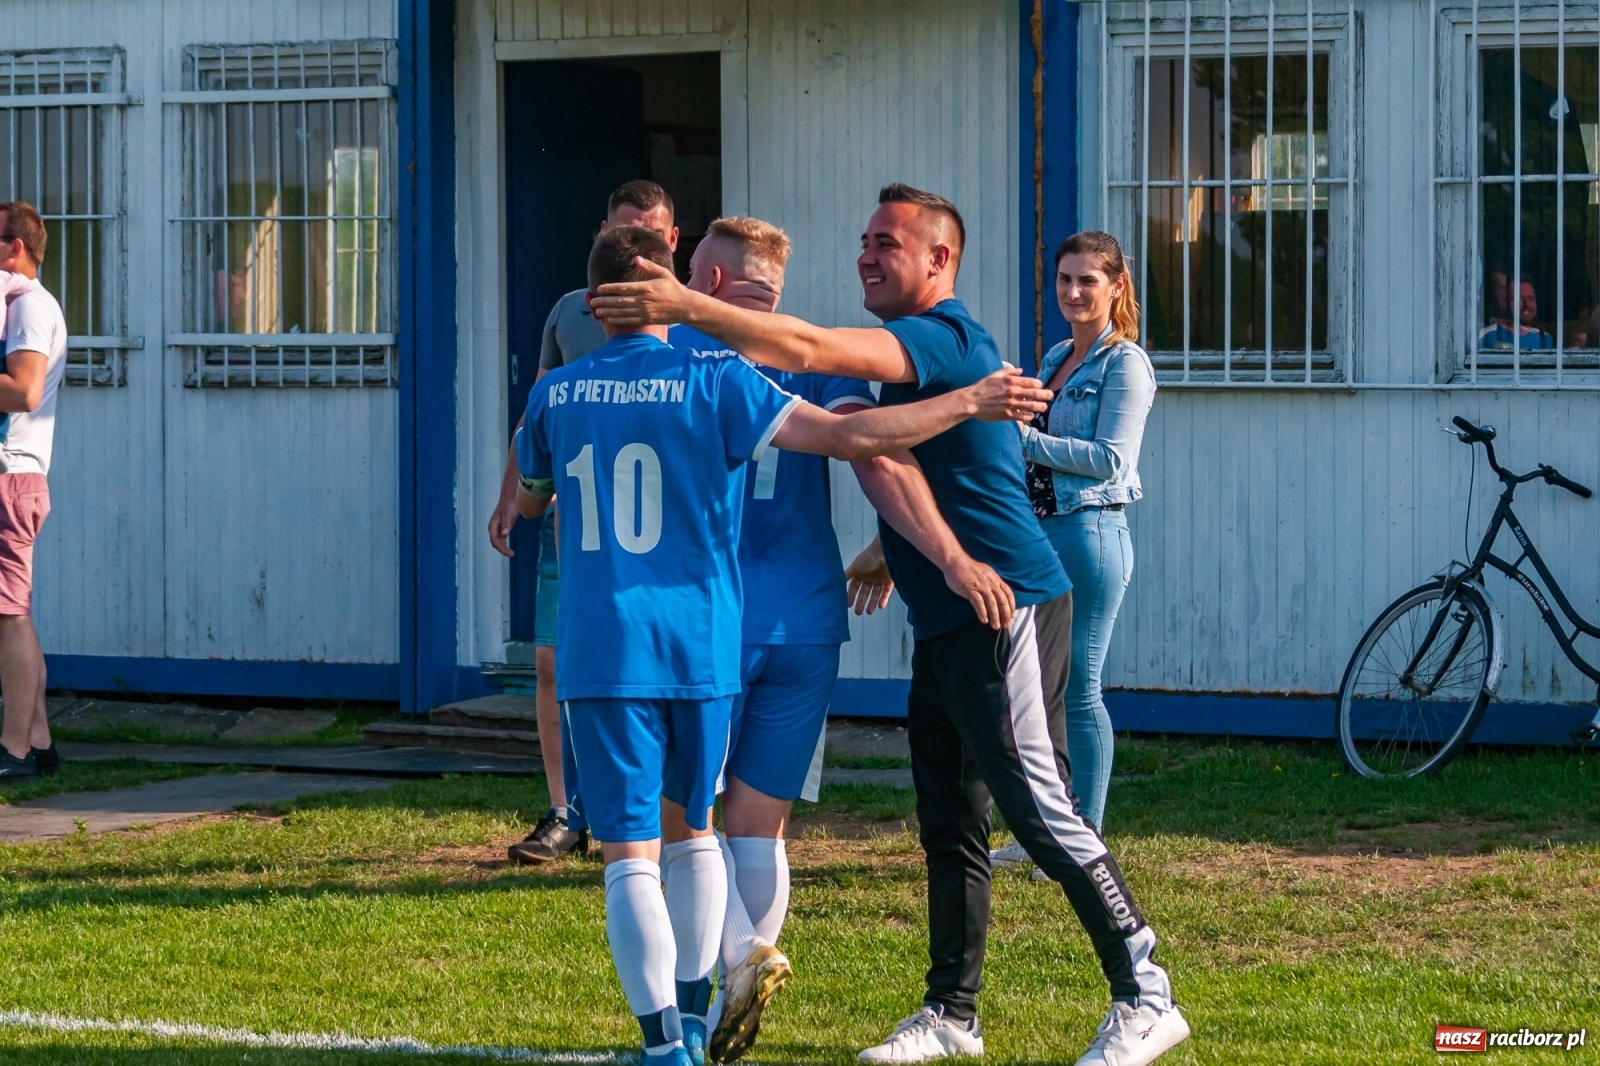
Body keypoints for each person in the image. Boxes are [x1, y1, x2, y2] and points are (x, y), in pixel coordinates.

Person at [592, 184, 1190, 1066]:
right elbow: (886, 449)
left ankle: (1146, 992)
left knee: (1042, 811)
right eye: (864, 239)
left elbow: (806, 347)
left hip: (1004, 602)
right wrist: (893, 549)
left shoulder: (941, 336)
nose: (866, 255)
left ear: (938, 261)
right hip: (951, 609)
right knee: (948, 823)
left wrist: (686, 302)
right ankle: (952, 1012)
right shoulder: (914, 358)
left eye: (887, 244)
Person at [517, 225, 1048, 1066]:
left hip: (625, 639)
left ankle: (666, 1041)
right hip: (745, 626)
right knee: (731, 833)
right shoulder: (742, 369)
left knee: (636, 850)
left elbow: (532, 495)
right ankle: (722, 988)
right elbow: (861, 447)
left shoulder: (572, 387)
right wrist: (959, 430)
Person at [656, 216, 1006, 1064]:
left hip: (711, 617)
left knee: (680, 817)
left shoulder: (677, 365)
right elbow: (875, 453)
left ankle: (724, 978)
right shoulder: (807, 363)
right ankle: (739, 995)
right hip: (809, 623)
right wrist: (913, 549)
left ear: (703, 282)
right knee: (758, 825)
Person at [488, 179, 680, 863]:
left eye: (648, 236)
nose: (631, 251)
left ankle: (652, 813)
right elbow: (535, 410)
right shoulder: (569, 312)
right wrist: (513, 490)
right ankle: (564, 811)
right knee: (550, 661)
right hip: (571, 519)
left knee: (644, 665)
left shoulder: (693, 324)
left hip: (652, 530)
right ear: (600, 235)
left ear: (672, 242)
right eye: (618, 235)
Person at [988, 230, 1155, 845]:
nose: (1074, 291)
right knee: (1042, 692)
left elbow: (1112, 459)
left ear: (1117, 287)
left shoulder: (1126, 363)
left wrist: (1023, 440)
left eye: (1088, 280)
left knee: (1079, 691)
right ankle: (1048, 829)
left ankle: (1084, 836)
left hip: (1092, 536)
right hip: (1042, 532)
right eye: (1064, 279)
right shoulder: (1058, 354)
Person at [0, 202, 68, 782]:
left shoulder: (26, 309)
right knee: (12, 611)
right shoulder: (25, 306)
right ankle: (39, 739)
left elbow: (23, 392)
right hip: (18, 474)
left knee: (9, 615)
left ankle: (14, 749)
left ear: (14, 247)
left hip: (10, 474)